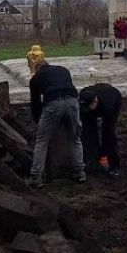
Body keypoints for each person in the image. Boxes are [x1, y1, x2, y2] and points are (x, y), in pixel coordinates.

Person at [26, 45, 87, 187]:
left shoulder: (35, 79)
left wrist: (38, 120)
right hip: (73, 102)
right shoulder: (63, 70)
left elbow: (35, 103)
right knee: (75, 138)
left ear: (37, 68)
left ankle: (36, 176)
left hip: (53, 103)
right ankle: (79, 172)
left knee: (42, 140)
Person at [79, 83, 123, 177]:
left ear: (95, 102)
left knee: (109, 135)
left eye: (88, 108)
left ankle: (114, 164)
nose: (86, 110)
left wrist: (103, 155)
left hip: (114, 99)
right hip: (96, 98)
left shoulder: (108, 107)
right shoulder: (83, 97)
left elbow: (107, 132)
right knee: (88, 132)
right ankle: (92, 159)